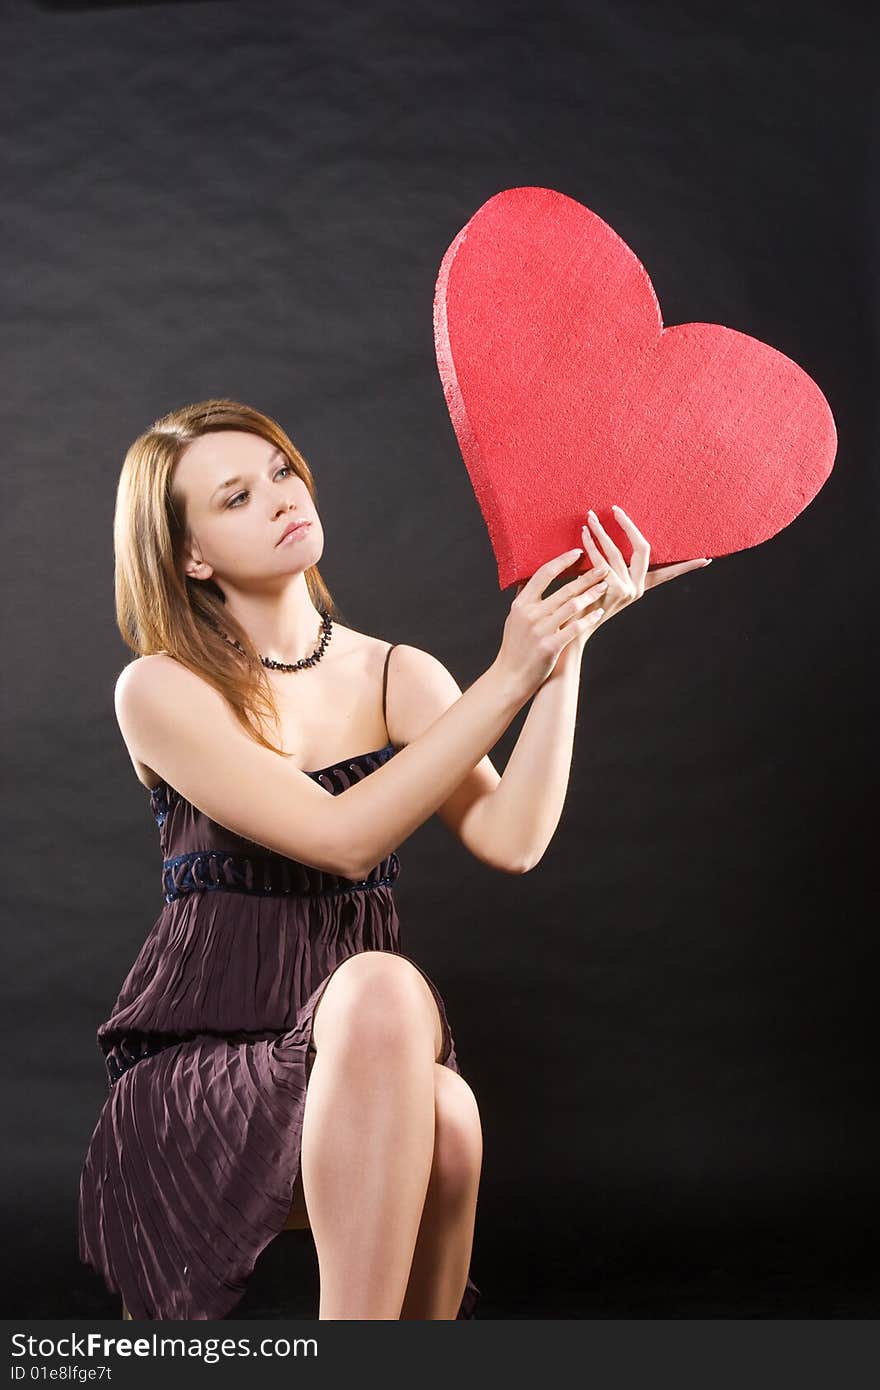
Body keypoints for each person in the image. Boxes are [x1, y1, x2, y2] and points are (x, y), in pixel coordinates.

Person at [76, 397, 710, 1321]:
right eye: (237, 496)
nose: (282, 497)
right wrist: (506, 675)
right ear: (190, 556)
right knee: (378, 984)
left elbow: (513, 839)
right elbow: (344, 840)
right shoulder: (162, 688)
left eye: (282, 471)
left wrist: (561, 653)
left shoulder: (397, 675)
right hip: (204, 1060)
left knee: (449, 1110)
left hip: (363, 1053)